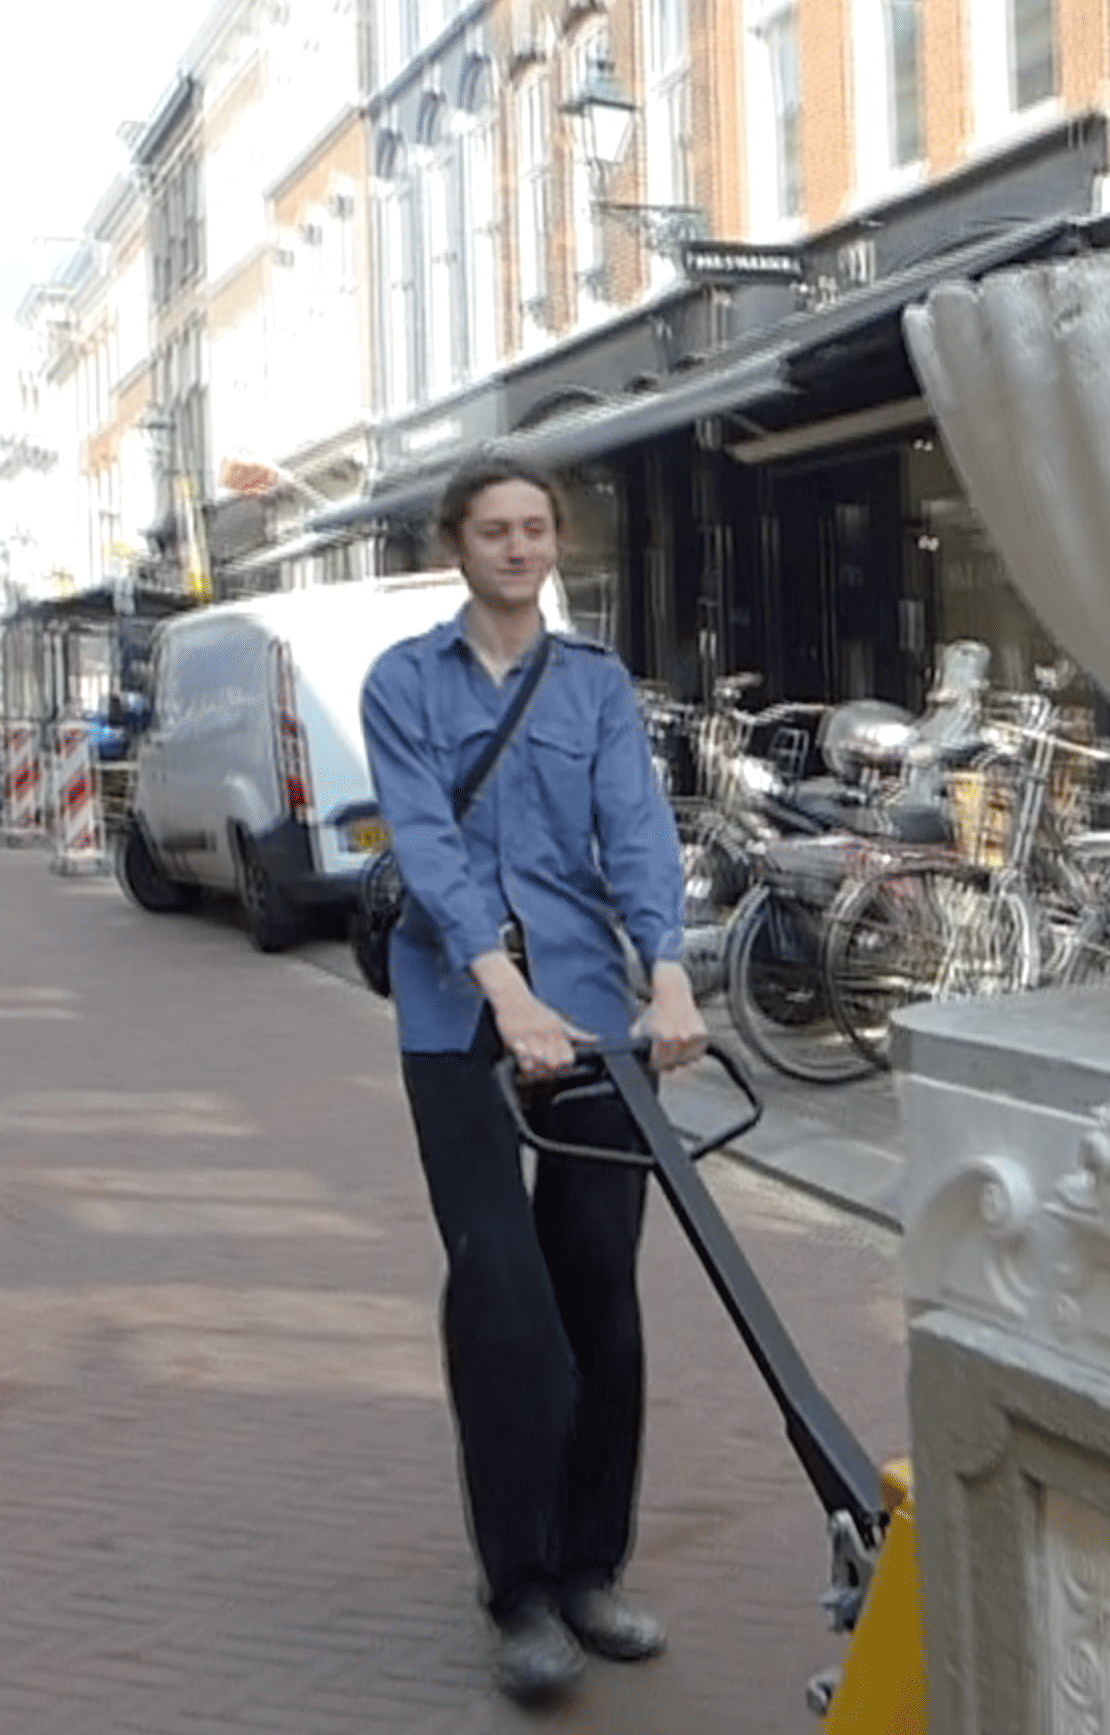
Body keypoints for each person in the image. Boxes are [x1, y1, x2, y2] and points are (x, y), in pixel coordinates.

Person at [359, 453, 705, 1707]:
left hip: (591, 1019)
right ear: (455, 545)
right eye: (494, 530)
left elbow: (635, 828)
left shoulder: (596, 687)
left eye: (536, 529)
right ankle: (516, 1590)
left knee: (600, 1300)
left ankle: (589, 1567)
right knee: (504, 1295)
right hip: (459, 1022)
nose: (517, 548)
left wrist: (665, 974)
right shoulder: (403, 683)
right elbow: (432, 847)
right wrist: (503, 991)